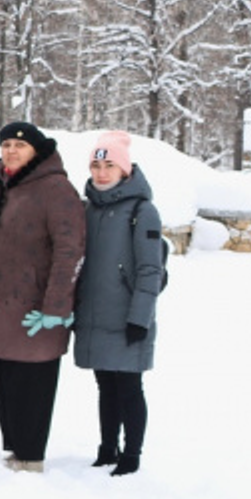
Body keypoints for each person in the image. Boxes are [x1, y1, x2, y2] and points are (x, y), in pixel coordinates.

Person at [0, 121, 85, 473]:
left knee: (33, 382)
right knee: (5, 378)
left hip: (37, 307)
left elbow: (71, 249)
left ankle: (31, 455)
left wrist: (56, 306)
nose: (11, 151)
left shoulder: (56, 189)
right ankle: (16, 446)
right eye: (6, 145)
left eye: (20, 146)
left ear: (37, 151)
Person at [73, 131, 161, 477]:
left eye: (109, 165)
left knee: (128, 388)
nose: (101, 173)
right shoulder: (89, 208)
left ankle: (132, 454)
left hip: (127, 318)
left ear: (124, 169)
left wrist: (140, 317)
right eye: (96, 165)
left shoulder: (142, 211)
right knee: (105, 386)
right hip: (94, 316)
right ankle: (107, 447)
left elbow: (151, 269)